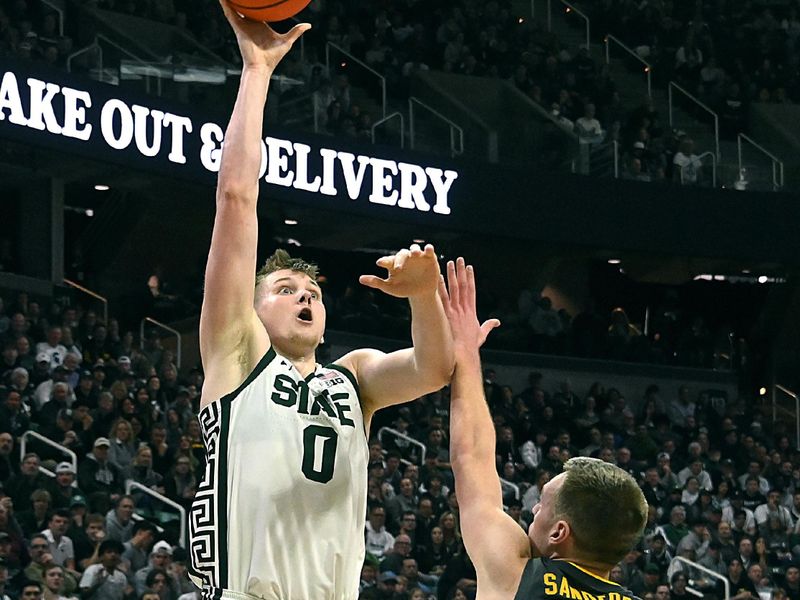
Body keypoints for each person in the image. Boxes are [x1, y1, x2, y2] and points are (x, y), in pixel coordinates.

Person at [187, 5, 453, 600]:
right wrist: (257, 72)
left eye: (311, 293)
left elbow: (434, 368)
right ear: (252, 312)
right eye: (285, 291)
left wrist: (423, 298)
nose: (305, 297)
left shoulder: (352, 377)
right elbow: (235, 197)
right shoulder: (237, 354)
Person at [439, 257, 648, 599]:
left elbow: (470, 457)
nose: (533, 509)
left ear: (559, 532)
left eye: (542, 505)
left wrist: (465, 352)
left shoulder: (516, 573)